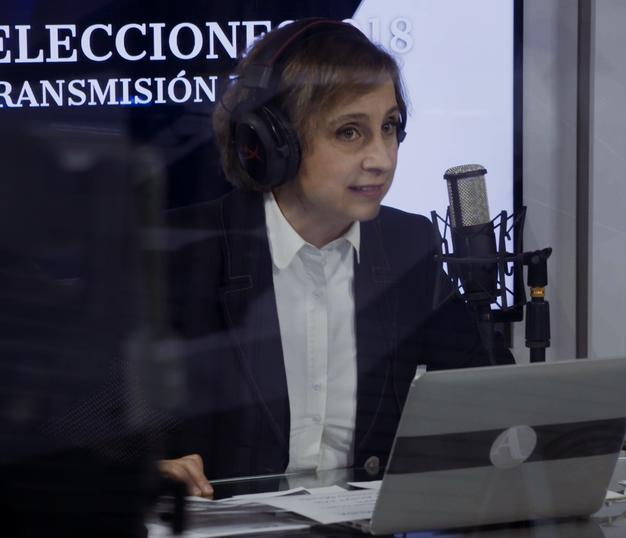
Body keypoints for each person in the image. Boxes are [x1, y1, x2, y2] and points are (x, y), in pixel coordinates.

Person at [158, 18, 502, 497]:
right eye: (349, 133)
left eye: (389, 127)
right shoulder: (182, 251)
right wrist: (143, 473)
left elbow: (495, 400)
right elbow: (79, 434)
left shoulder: (407, 245)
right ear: (270, 141)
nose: (381, 158)